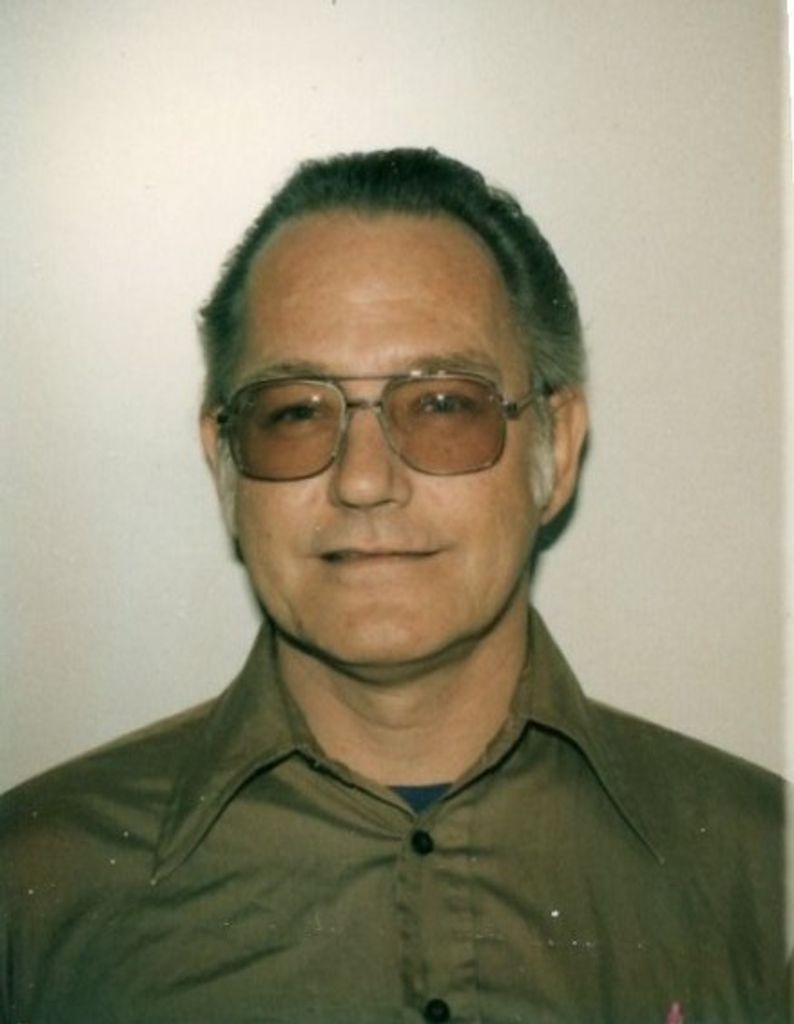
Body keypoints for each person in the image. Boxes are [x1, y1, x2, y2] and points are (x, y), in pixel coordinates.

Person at [0, 148, 787, 1024]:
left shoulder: (763, 878)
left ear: (556, 451)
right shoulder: (32, 894)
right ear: (224, 465)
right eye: (296, 412)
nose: (364, 481)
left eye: (444, 404)